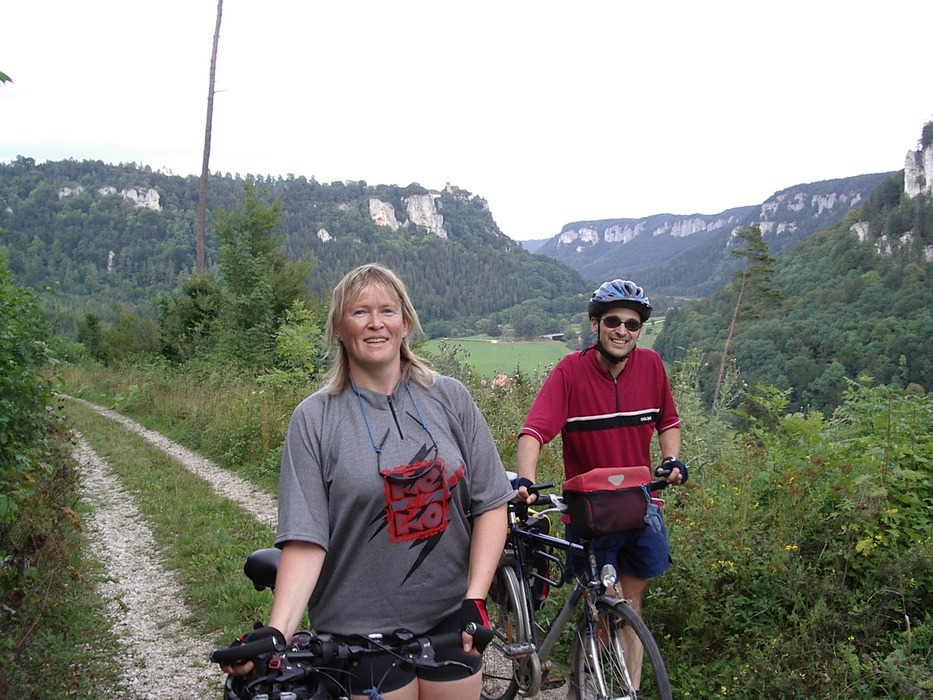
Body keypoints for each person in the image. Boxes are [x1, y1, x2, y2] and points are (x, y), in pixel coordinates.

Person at [222, 263, 514, 700]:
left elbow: (491, 503)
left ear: (406, 322)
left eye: (387, 311)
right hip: (356, 634)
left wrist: (475, 598)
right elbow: (305, 538)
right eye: (360, 312)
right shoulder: (315, 419)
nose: (375, 323)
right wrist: (277, 633)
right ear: (339, 328)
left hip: (450, 622)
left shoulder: (451, 398)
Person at [512, 278, 687, 694]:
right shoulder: (570, 371)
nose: (622, 330)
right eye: (613, 321)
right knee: (601, 604)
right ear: (595, 324)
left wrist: (671, 460)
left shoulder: (651, 365)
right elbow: (533, 432)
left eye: (632, 323)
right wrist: (526, 481)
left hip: (639, 505)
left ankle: (631, 690)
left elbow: (669, 422)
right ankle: (587, 684)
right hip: (589, 508)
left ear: (640, 330)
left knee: (631, 605)